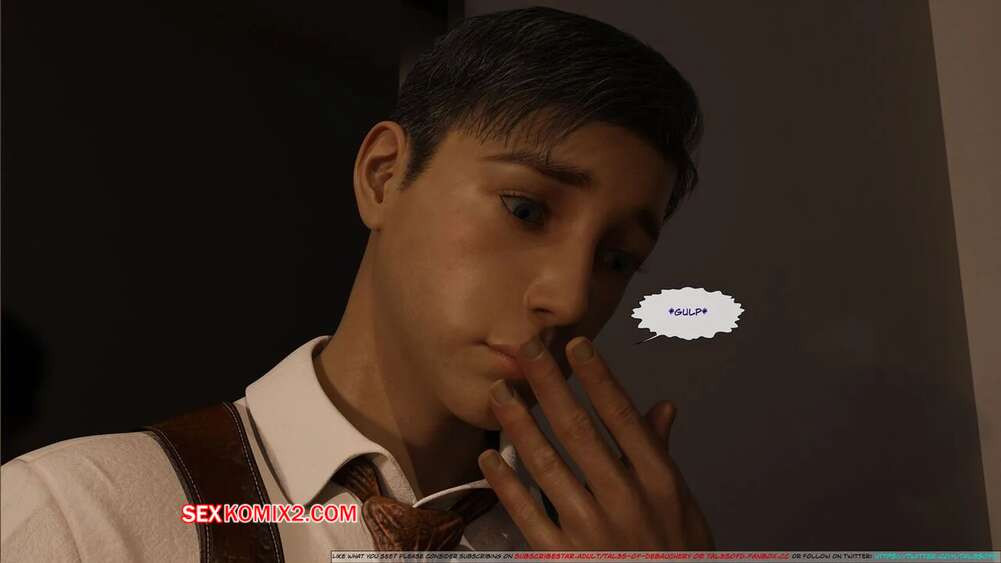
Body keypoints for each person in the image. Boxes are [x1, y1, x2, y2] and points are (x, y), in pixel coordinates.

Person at [0, 6, 713, 560]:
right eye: (525, 210)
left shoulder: (600, 546)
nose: (569, 297)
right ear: (382, 176)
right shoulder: (78, 516)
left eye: (618, 258)